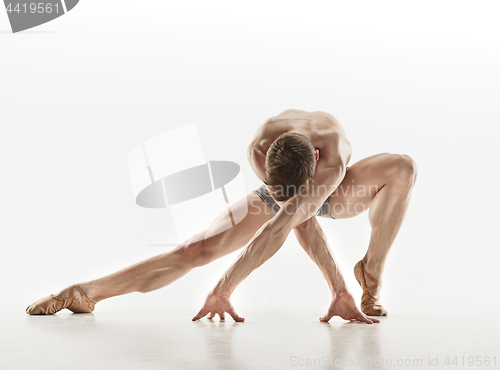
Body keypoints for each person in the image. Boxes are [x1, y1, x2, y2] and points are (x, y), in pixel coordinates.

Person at [26, 109, 417, 324]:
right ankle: (85, 292)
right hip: (286, 186)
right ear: (266, 156)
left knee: (402, 167)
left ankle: (372, 274)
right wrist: (223, 289)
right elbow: (288, 219)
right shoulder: (262, 145)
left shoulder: (332, 158)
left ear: (316, 160)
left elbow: (289, 222)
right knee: (195, 249)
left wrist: (225, 288)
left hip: (339, 190)